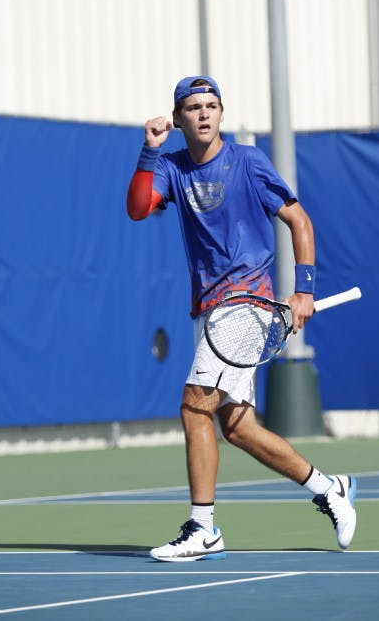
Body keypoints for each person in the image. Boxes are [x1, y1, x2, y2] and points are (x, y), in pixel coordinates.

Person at [126, 76, 357, 562]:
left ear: (221, 113)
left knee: (194, 408)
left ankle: (203, 528)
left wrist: (304, 291)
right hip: (207, 309)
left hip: (247, 303)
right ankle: (330, 488)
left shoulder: (248, 162)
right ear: (178, 118)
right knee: (238, 428)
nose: (203, 114)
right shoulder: (171, 167)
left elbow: (299, 221)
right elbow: (138, 209)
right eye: (193, 107)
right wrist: (149, 151)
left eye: (211, 105)